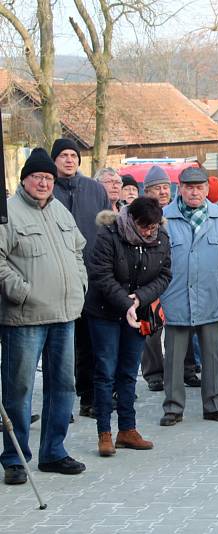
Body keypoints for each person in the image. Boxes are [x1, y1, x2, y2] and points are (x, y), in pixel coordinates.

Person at [0, 148, 88, 485]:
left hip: (64, 315)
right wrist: (20, 290)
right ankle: (15, 457)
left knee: (63, 386)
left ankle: (54, 452)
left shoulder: (60, 212)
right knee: (19, 389)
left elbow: (78, 251)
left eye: (49, 178)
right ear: (24, 179)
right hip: (24, 317)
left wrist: (80, 284)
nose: (43, 182)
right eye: (37, 177)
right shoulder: (8, 213)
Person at [85, 197, 172, 457]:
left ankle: (127, 429)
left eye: (153, 227)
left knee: (127, 372)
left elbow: (165, 274)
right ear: (131, 220)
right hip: (104, 313)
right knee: (105, 372)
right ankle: (104, 433)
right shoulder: (109, 235)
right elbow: (100, 274)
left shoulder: (161, 238)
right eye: (143, 226)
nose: (148, 232)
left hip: (139, 313)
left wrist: (140, 298)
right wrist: (126, 303)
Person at [159, 167, 218, 426]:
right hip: (175, 298)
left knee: (212, 355)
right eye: (188, 187)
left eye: (199, 187)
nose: (194, 191)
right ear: (180, 188)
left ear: (207, 189)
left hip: (211, 296)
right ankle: (173, 408)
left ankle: (214, 405)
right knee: (173, 358)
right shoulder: (164, 218)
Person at [51, 138, 111, 418]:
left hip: (93, 277)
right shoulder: (46, 188)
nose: (69, 160)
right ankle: (60, 404)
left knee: (91, 343)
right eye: (63, 155)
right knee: (60, 346)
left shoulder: (95, 189)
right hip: (58, 279)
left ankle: (90, 398)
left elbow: (108, 229)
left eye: (73, 155)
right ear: (55, 160)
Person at [139, 165, 200, 391]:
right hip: (152, 279)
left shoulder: (181, 211)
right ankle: (154, 373)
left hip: (179, 278)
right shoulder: (142, 213)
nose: (163, 191)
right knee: (152, 328)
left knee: (184, 325)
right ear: (147, 191)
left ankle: (188, 369)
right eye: (157, 188)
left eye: (166, 187)